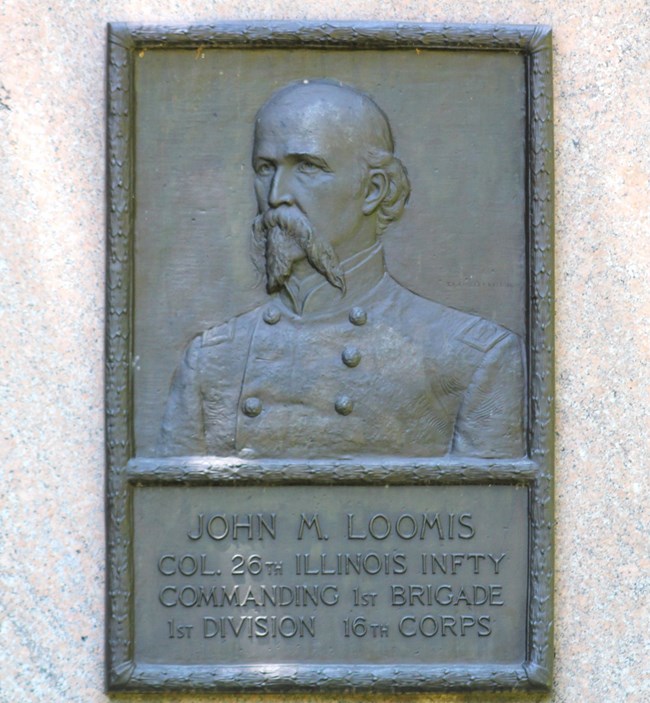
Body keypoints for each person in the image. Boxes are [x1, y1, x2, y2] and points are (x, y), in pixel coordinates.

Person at [158, 79, 525, 459]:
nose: (276, 195)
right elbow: (173, 512)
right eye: (266, 168)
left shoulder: (469, 357)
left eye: (307, 167)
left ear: (373, 190)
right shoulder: (211, 361)